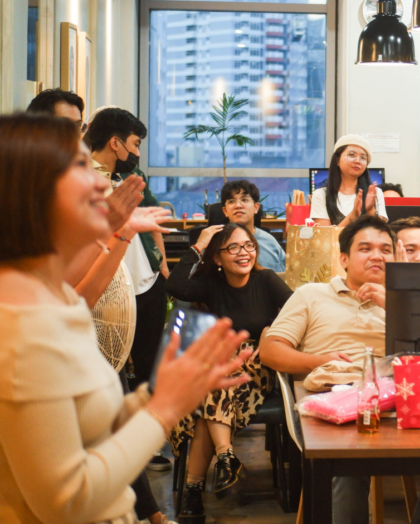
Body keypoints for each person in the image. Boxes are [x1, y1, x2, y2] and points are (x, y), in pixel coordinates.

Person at [0, 114, 250, 524]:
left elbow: (93, 428)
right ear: (30, 192)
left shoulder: (51, 295)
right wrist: (165, 408)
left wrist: (171, 390)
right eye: (80, 166)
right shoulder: (21, 329)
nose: (102, 182)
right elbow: (68, 500)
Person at [259, 215, 420, 524]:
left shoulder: (409, 301)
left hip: (403, 400)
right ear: (343, 258)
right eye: (365, 248)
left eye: (385, 249)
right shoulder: (311, 295)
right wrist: (322, 360)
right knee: (349, 464)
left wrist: (395, 303)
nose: (377, 255)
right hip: (336, 404)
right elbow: (270, 350)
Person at [166, 223, 293, 520]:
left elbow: (297, 312)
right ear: (218, 258)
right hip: (219, 367)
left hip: (255, 369)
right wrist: (201, 244)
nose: (243, 253)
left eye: (248, 245)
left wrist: (271, 332)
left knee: (207, 395)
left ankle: (194, 490)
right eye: (233, 247)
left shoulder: (267, 280)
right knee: (210, 393)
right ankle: (224, 458)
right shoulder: (212, 283)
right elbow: (174, 286)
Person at [85, 109, 171, 405]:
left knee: (149, 362)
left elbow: (152, 216)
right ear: (114, 143)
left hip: (147, 280)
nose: (136, 152)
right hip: (107, 290)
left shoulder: (132, 175)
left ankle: (151, 442)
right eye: (134, 144)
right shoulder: (82, 177)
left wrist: (162, 264)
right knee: (112, 367)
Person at [311, 135, 387, 227]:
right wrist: (353, 215)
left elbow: (380, 233)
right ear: (337, 160)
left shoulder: (376, 193)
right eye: (351, 154)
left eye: (363, 158)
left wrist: (370, 210)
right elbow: (325, 238)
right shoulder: (321, 194)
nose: (358, 161)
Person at [215, 179, 286, 272]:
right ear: (225, 211)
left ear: (256, 207)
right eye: (231, 201)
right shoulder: (215, 242)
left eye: (244, 200)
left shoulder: (270, 242)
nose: (238, 205)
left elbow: (287, 278)